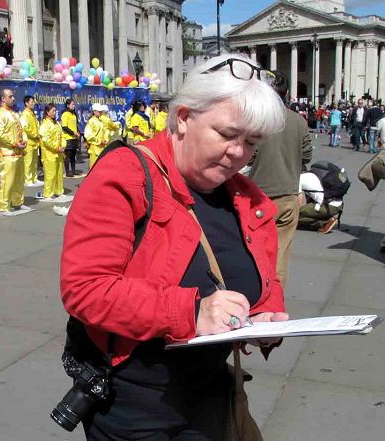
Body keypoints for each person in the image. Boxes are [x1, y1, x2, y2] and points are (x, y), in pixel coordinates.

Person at [60, 54, 288, 440]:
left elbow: (264, 278)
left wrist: (267, 316)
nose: (238, 153)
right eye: (227, 134)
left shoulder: (248, 198)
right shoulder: (125, 175)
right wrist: (192, 311)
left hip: (211, 393)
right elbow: (85, 289)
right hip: (135, 402)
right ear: (183, 117)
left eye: (251, 142)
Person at [249, 70, 312, 288]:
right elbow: (307, 156)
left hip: (257, 194)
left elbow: (250, 155)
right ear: (286, 94)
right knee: (281, 254)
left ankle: (256, 295)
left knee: (254, 252)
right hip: (287, 193)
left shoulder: (258, 121)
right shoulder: (298, 121)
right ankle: (275, 300)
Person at [0, 89, 27, 214]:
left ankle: (18, 202)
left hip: (18, 152)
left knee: (19, 180)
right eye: (10, 96)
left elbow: (21, 130)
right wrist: (14, 143)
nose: (13, 98)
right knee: (7, 180)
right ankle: (4, 206)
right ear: (3, 99)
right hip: (7, 153)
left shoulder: (15, 114)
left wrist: (23, 142)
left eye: (13, 96)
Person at [39, 103, 66, 200]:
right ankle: (48, 193)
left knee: (59, 173)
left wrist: (63, 145)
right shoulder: (45, 124)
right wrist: (55, 147)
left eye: (55, 111)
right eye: (53, 111)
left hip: (59, 152)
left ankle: (58, 191)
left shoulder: (57, 123)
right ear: (47, 112)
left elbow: (62, 135)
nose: (55, 113)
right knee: (50, 174)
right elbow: (46, 140)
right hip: (49, 153)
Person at [20, 95, 42, 186]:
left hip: (35, 141)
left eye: (33, 102)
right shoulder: (25, 114)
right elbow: (25, 128)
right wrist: (35, 135)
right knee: (28, 162)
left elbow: (37, 125)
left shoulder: (32, 113)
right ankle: (27, 179)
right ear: (26, 103)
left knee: (34, 162)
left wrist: (39, 134)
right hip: (28, 141)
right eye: (31, 102)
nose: (33, 103)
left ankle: (34, 178)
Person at [61, 98, 81, 177]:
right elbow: (64, 127)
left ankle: (73, 170)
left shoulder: (74, 114)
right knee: (68, 155)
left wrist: (78, 132)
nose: (74, 105)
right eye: (72, 104)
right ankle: (67, 171)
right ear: (68, 105)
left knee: (73, 155)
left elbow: (76, 125)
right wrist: (73, 133)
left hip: (74, 138)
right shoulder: (65, 114)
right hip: (68, 137)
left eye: (74, 104)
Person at [84, 103, 106, 168]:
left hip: (101, 147)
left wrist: (105, 140)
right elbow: (88, 135)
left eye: (101, 111)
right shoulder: (91, 121)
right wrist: (99, 141)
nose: (101, 112)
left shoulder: (100, 121)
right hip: (94, 148)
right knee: (94, 168)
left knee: (101, 168)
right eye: (99, 111)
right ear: (94, 111)